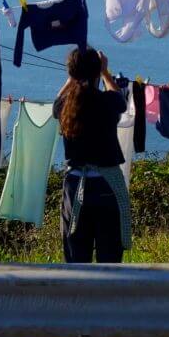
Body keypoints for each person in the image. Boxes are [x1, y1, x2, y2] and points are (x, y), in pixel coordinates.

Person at [52, 47, 132, 263]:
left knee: (76, 255)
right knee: (110, 257)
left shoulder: (65, 106)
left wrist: (72, 79)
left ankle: (78, 295)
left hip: (75, 184)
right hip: (107, 184)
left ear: (72, 73)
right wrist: (105, 73)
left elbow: (55, 104)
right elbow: (120, 100)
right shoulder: (108, 102)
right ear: (98, 71)